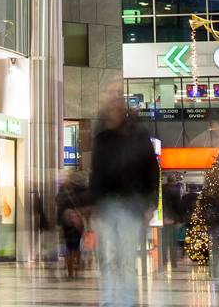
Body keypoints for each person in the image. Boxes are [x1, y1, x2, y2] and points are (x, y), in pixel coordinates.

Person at [87, 90, 159, 306]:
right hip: (107, 206)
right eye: (109, 107)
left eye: (116, 107)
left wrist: (150, 204)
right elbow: (96, 174)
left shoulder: (138, 135)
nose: (112, 111)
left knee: (126, 259)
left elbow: (152, 170)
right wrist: (94, 205)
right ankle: (109, 301)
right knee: (108, 259)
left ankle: (127, 302)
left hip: (131, 205)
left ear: (122, 110)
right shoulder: (102, 139)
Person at [56, 171, 87, 279]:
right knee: (76, 245)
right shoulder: (78, 189)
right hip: (76, 220)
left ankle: (70, 271)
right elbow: (83, 203)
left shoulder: (61, 191)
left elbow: (59, 206)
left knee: (69, 246)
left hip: (65, 221)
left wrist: (59, 223)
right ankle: (76, 265)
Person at [162, 175, 182, 269]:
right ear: (174, 181)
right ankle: (173, 263)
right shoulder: (176, 191)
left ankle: (163, 261)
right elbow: (178, 206)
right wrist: (177, 219)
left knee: (164, 242)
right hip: (172, 219)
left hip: (163, 219)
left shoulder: (162, 189)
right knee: (172, 242)